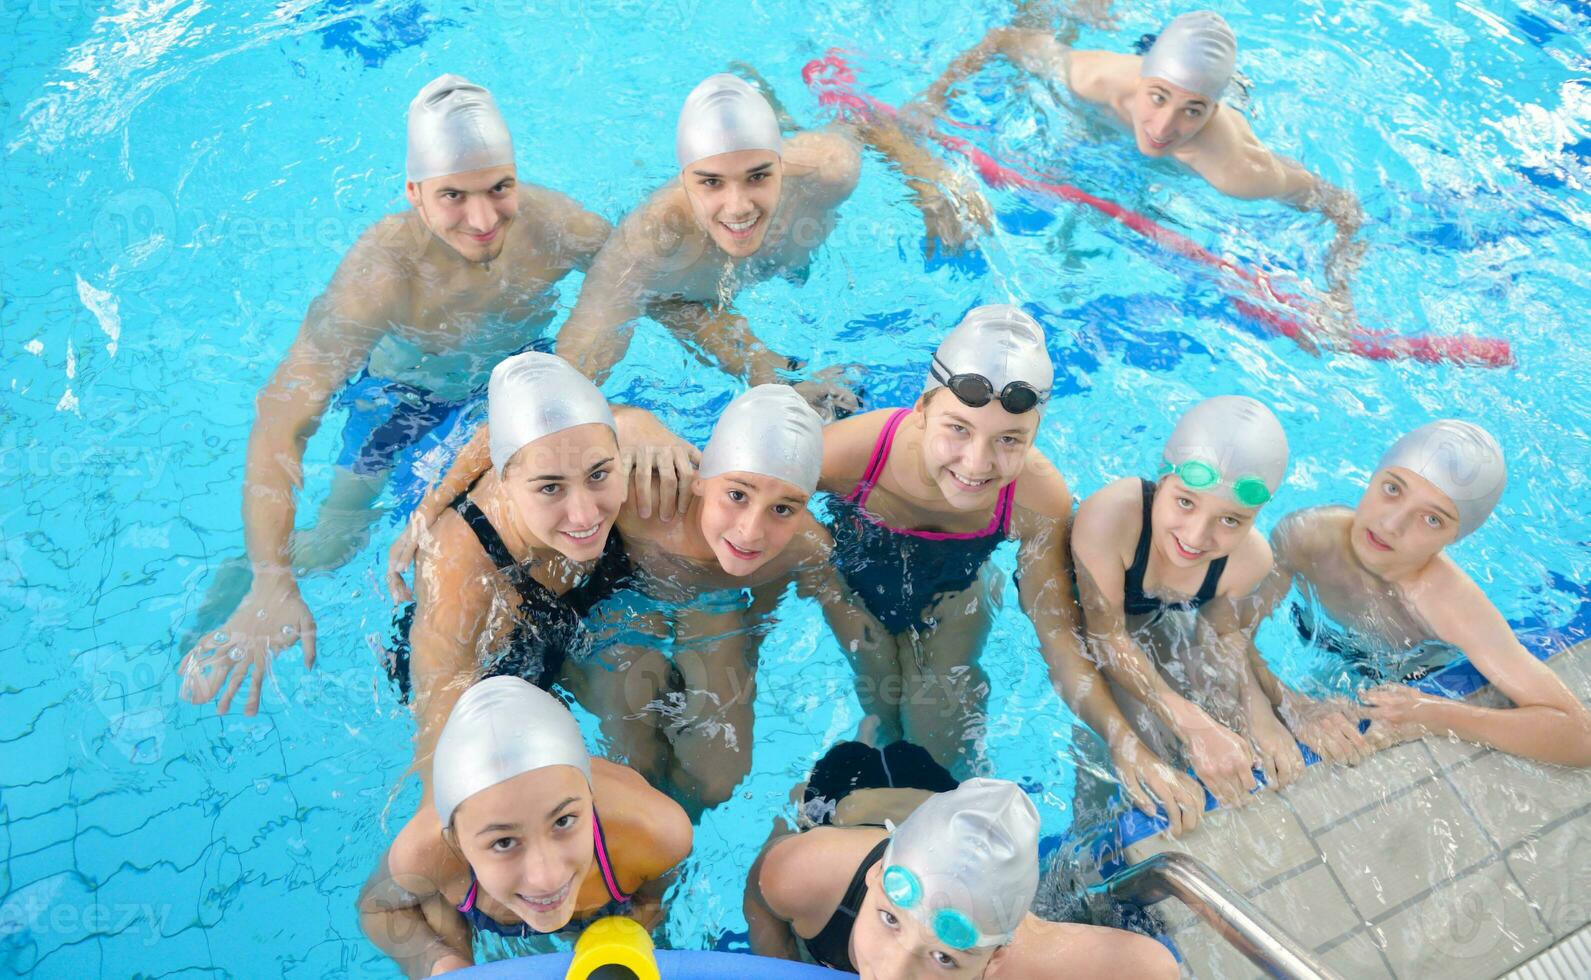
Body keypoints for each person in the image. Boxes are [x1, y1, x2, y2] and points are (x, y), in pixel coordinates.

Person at [178, 74, 630, 717]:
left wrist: (759, 365)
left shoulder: (553, 224)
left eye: (500, 188)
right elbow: (279, 419)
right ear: (414, 194)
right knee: (337, 543)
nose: (483, 219)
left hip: (516, 377)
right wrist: (274, 579)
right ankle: (248, 581)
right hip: (403, 404)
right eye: (453, 196)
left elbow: (638, 274)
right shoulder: (381, 274)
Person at [394, 69, 997, 528]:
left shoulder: (827, 170)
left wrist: (933, 183)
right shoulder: (644, 249)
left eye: (758, 175)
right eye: (711, 183)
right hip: (689, 289)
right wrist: (629, 421)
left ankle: (769, 101)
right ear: (683, 180)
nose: (737, 207)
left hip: (783, 254)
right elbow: (559, 385)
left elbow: (862, 121)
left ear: (781, 164)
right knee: (682, 307)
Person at [817, 305, 1207, 834]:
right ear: (920, 411)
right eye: (958, 428)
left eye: (1009, 440)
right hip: (851, 583)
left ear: (1035, 434)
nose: (977, 464)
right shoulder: (847, 455)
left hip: (956, 593)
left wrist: (1125, 744)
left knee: (941, 755)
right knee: (880, 699)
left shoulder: (1039, 499)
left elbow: (1060, 640)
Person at [914, 10, 1364, 307]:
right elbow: (1002, 39)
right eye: (1159, 97)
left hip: (1229, 107)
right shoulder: (1094, 78)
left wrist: (1339, 290)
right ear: (1143, 76)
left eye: (1193, 110)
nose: (1164, 127)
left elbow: (1343, 207)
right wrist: (932, 99)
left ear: (1211, 107)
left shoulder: (1236, 169)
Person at [562, 385, 843, 816]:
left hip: (717, 609)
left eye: (783, 509)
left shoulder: (806, 547)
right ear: (700, 476)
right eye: (737, 495)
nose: (751, 531)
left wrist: (748, 649)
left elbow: (798, 616)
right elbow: (551, 440)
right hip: (627, 603)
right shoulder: (643, 498)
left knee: (716, 782)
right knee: (634, 764)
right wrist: (627, 419)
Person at [1246, 420, 1591, 768]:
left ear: (1455, 538)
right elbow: (1225, 632)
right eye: (1393, 489)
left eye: (1432, 519)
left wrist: (1433, 714)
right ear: (1373, 476)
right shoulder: (1308, 537)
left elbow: (1579, 737)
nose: (1391, 524)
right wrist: (1292, 705)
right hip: (1315, 640)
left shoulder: (1450, 604)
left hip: (1407, 668)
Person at [394, 352, 641, 779]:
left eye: (599, 474)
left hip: (581, 618)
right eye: (550, 488)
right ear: (505, 483)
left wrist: (648, 427)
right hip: (497, 664)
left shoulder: (580, 445)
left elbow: (530, 425)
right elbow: (440, 758)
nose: (585, 517)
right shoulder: (456, 574)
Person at [358, 676, 691, 976]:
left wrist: (632, 931)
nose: (546, 878)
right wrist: (442, 961)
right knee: (433, 904)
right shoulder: (428, 855)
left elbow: (655, 893)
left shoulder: (654, 833)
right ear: (456, 843)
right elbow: (379, 908)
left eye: (563, 821)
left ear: (591, 798)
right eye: (504, 842)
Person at [1070, 395, 1302, 817]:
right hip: (1097, 620)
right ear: (1162, 480)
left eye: (1230, 520)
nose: (1197, 537)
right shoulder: (1111, 517)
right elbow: (1104, 635)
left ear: (1256, 515)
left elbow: (1220, 639)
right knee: (1137, 745)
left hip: (1159, 619)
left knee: (1230, 725)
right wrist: (1190, 721)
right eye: (1185, 501)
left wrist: (1260, 712)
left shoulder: (1250, 560)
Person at [745, 764, 1178, 978]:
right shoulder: (803, 873)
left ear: (993, 964)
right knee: (842, 804)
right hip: (854, 799)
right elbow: (759, 891)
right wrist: (781, 964)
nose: (894, 973)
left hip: (953, 849)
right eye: (890, 918)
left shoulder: (1019, 954)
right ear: (877, 875)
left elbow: (1154, 968)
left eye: (944, 959)